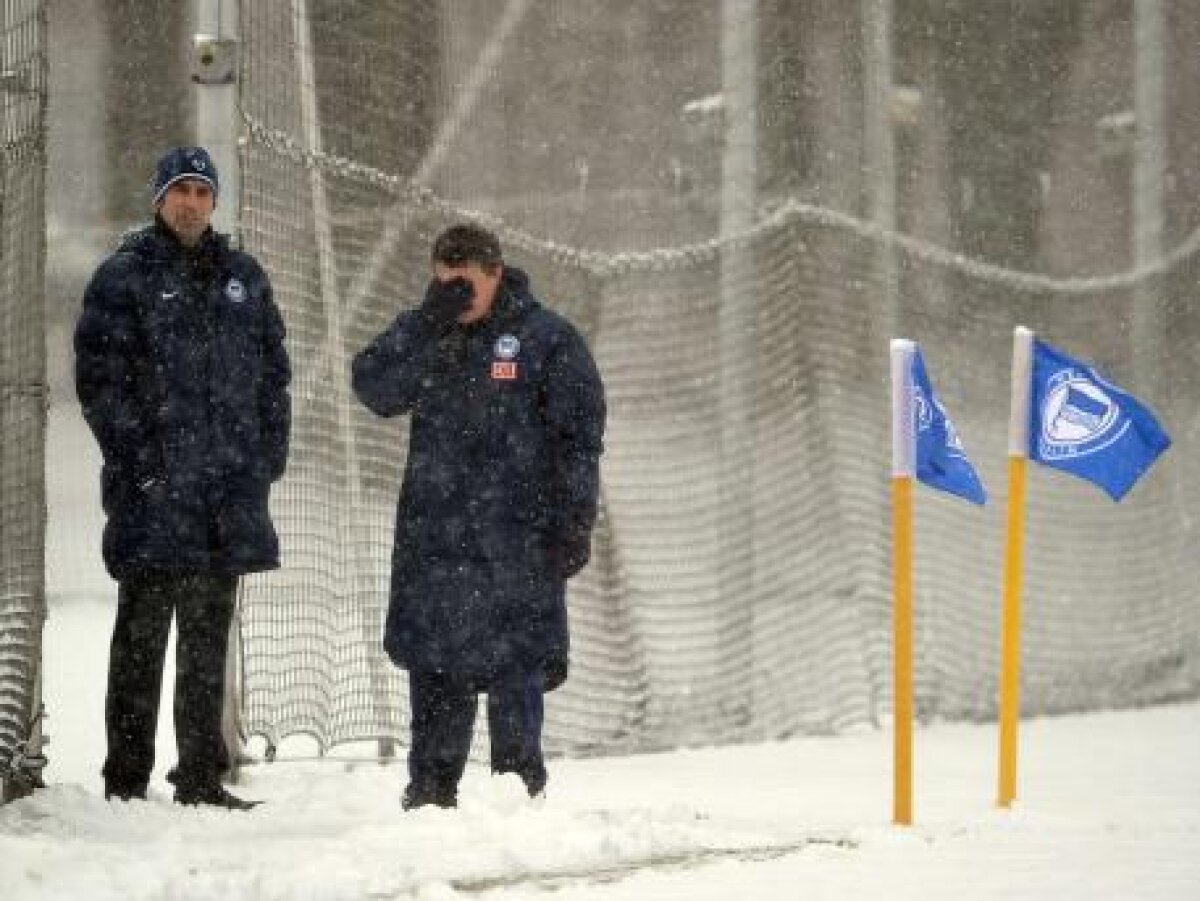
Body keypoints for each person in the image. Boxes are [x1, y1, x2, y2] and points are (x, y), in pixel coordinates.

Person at [352, 223, 605, 810]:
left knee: (516, 678)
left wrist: (574, 521)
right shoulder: (429, 331)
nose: (456, 295)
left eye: (464, 283)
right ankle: (430, 799)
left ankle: (518, 801)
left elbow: (579, 440)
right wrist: (426, 322)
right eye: (444, 283)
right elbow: (375, 388)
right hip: (436, 544)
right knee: (437, 675)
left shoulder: (546, 340)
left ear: (495, 274)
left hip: (517, 546)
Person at [74, 146, 291, 810]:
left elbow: (273, 379)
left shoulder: (243, 278)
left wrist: (263, 464)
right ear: (159, 199)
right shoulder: (123, 278)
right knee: (140, 644)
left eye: (202, 191)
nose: (191, 203)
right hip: (154, 501)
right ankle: (125, 782)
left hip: (225, 500)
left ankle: (200, 776)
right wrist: (144, 471)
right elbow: (101, 385)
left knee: (206, 645)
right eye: (180, 191)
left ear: (214, 201)